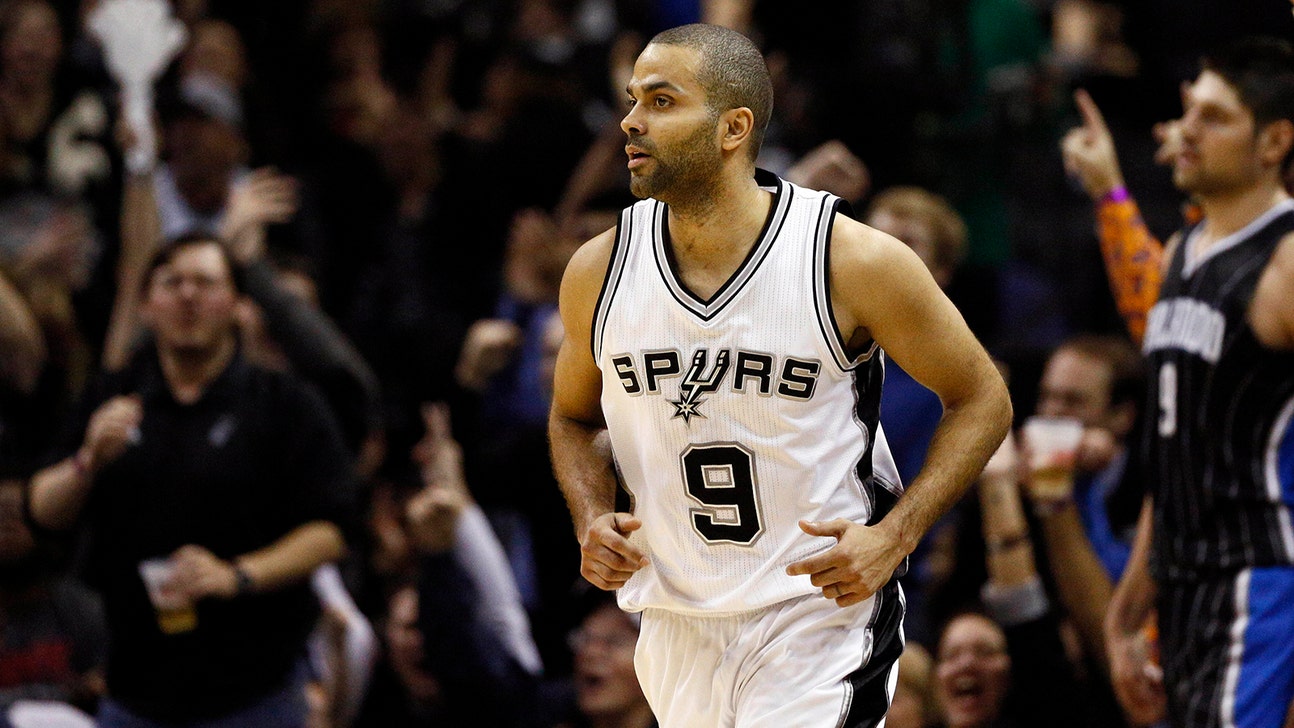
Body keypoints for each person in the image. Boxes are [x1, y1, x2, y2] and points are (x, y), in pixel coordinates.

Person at [548, 23, 1012, 727]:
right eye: (633, 99)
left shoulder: (851, 260)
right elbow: (573, 416)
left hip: (816, 616)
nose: (631, 121)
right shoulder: (598, 270)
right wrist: (589, 517)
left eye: (662, 101)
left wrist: (896, 536)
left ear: (734, 128)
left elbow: (983, 397)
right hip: (675, 618)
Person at [27, 235, 358, 727]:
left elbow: (332, 531)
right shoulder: (112, 395)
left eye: (205, 283)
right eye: (172, 283)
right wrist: (87, 462)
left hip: (255, 691)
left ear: (239, 306)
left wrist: (236, 575)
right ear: (145, 306)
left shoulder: (285, 404)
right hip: (136, 691)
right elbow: (41, 509)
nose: (187, 296)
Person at [1102, 37, 1294, 728]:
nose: (1185, 130)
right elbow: (1173, 455)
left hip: (1258, 580)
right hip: (1182, 585)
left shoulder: (1285, 262)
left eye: (1213, 117)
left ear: (1273, 141)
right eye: (1188, 112)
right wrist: (1127, 615)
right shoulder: (1182, 252)